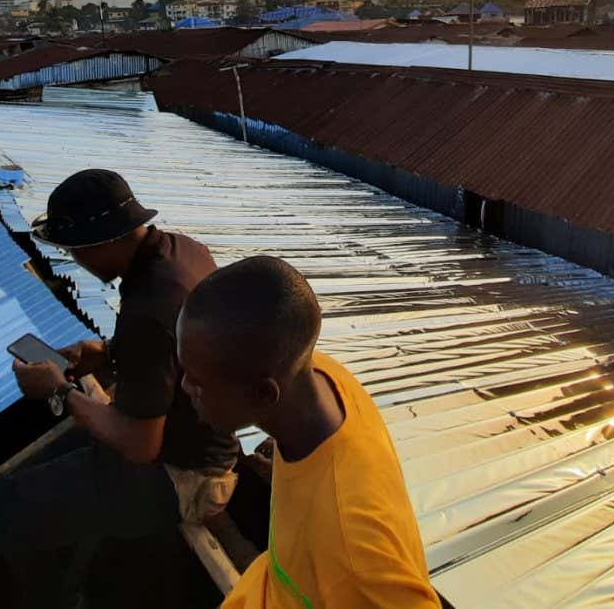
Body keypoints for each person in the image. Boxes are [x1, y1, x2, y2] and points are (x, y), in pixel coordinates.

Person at [0, 169, 240, 609]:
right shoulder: (182, 253)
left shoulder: (148, 308)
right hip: (200, 450)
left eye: (77, 249)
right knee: (31, 508)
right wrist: (107, 353)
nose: (76, 259)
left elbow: (140, 444)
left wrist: (61, 391)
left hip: (176, 479)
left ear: (106, 241)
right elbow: (171, 346)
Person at [178, 256, 440, 609]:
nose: (184, 387)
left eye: (198, 382)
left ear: (262, 394)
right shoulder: (321, 381)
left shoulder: (352, 552)